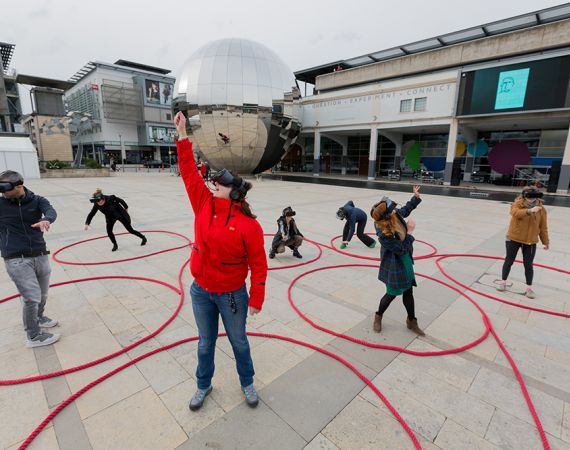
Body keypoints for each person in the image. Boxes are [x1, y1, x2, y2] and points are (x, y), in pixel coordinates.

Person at [174, 111, 267, 412]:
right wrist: (182, 135)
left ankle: (247, 382)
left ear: (234, 194)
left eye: (221, 183)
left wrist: (257, 297)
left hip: (231, 295)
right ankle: (203, 385)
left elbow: (259, 264)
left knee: (239, 342)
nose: (214, 184)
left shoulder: (249, 226)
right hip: (201, 291)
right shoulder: (203, 202)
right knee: (205, 343)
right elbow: (189, 172)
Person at [0, 170, 60, 348]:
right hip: (16, 258)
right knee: (31, 297)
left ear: (19, 186)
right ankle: (33, 336)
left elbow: (51, 211)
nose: (3, 193)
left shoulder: (37, 200)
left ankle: (39, 317)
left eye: (5, 189)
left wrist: (46, 219)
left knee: (42, 294)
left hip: (40, 254)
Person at [370, 185, 425, 335]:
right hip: (394, 263)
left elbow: (405, 210)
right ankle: (378, 316)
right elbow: (400, 249)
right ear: (387, 216)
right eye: (392, 209)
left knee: (408, 291)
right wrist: (411, 232)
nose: (395, 210)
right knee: (391, 293)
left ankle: (411, 321)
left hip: (405, 260)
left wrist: (416, 197)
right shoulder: (383, 234)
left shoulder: (393, 215)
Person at [497, 186, 549, 298]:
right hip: (513, 239)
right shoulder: (517, 204)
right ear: (524, 196)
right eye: (529, 197)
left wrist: (546, 242)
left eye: (534, 197)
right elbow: (515, 213)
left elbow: (543, 227)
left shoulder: (541, 209)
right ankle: (503, 282)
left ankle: (529, 288)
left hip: (530, 241)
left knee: (528, 265)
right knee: (509, 261)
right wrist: (530, 211)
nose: (531, 199)